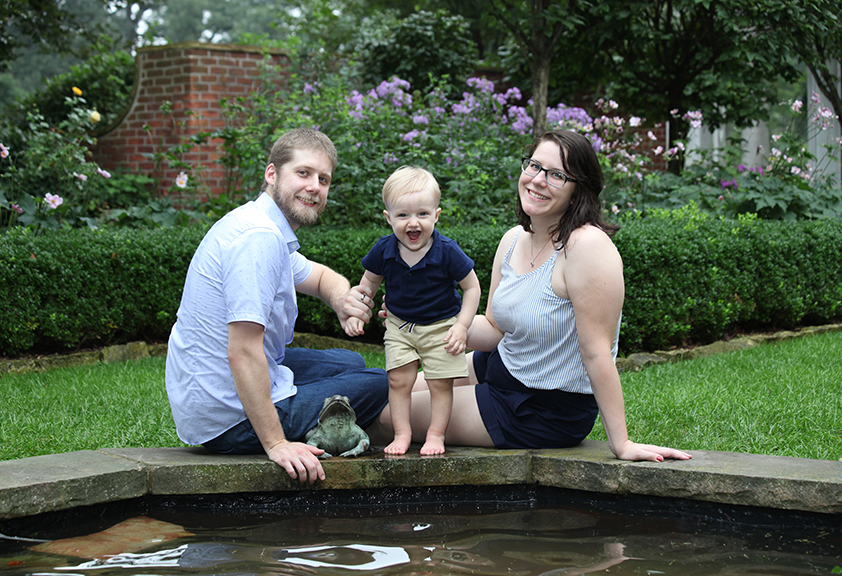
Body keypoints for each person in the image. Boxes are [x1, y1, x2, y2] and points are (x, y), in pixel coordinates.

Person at [370, 130, 692, 463]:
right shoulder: (513, 239)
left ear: (578, 188)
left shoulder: (589, 249)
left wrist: (621, 444)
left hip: (542, 407)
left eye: (556, 175)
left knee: (384, 419)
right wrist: (424, 317)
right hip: (503, 364)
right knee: (384, 392)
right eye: (534, 166)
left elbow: (596, 353)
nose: (538, 180)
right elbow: (495, 328)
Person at [165, 127, 389, 484]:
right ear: (272, 174)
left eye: (323, 179)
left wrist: (342, 299)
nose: (314, 186)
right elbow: (242, 351)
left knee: (351, 362)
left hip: (219, 385)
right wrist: (276, 444)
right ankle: (318, 431)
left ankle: (331, 424)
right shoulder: (258, 241)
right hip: (228, 419)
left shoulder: (261, 223)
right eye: (303, 173)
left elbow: (318, 278)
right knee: (382, 382)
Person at [346, 166, 481, 456]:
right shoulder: (384, 249)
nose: (413, 223)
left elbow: (472, 288)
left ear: (436, 215)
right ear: (388, 218)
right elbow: (368, 284)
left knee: (439, 384)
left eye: (422, 214)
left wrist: (462, 326)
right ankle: (402, 433)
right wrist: (358, 311)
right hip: (399, 325)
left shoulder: (446, 250)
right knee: (398, 380)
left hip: (441, 326)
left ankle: (435, 435)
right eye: (403, 215)